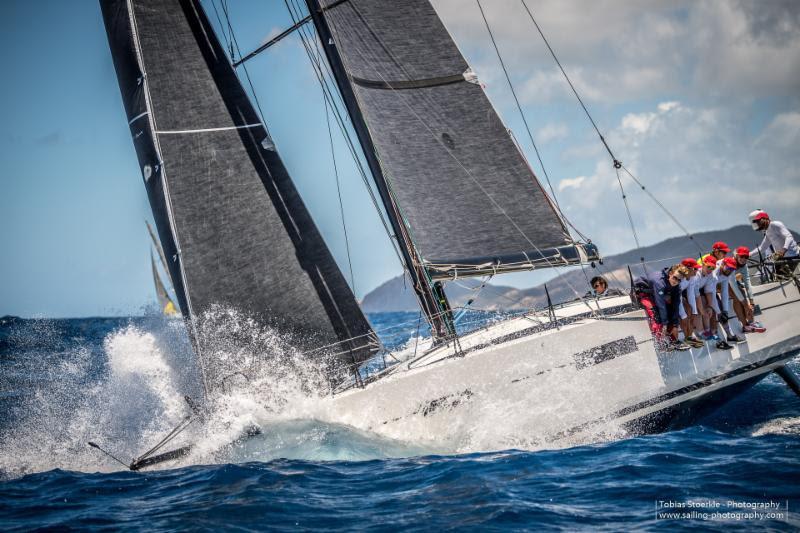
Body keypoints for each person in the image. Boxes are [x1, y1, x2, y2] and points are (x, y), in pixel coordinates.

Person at [634, 264, 690, 350]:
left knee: (671, 310)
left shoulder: (677, 285)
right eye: (675, 278)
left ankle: (673, 341)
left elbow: (676, 304)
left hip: (657, 292)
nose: (676, 281)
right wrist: (664, 324)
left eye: (679, 280)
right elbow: (661, 305)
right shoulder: (659, 282)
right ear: (670, 273)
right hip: (643, 292)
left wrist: (675, 325)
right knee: (656, 314)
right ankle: (659, 342)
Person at [749, 210, 800, 279]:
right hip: (782, 258)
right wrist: (748, 255)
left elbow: (789, 237)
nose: (758, 223)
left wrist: (783, 250)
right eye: (757, 222)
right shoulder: (767, 232)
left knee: (780, 278)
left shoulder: (775, 224)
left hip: (791, 256)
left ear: (765, 219)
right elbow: (762, 248)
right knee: (774, 277)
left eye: (759, 221)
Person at [731, 246, 766, 333]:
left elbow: (747, 283)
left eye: (746, 257)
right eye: (741, 256)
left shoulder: (744, 265)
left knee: (744, 296)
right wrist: (745, 304)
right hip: (721, 283)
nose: (744, 259)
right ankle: (745, 325)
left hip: (732, 281)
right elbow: (732, 284)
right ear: (736, 256)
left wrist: (752, 301)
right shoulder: (731, 263)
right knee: (737, 296)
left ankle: (751, 322)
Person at [678, 258, 705, 348]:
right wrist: (683, 315)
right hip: (669, 297)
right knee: (684, 315)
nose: (697, 271)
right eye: (695, 269)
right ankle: (687, 337)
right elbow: (676, 297)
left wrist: (694, 311)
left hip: (678, 296)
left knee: (690, 311)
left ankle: (689, 337)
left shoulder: (692, 277)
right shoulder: (679, 278)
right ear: (688, 269)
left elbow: (691, 294)